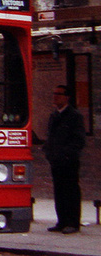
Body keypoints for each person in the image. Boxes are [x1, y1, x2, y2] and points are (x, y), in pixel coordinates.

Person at [43, 85, 85, 234]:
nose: (55, 97)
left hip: (69, 161)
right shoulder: (54, 115)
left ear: (67, 97)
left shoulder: (74, 116)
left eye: (59, 94)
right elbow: (50, 137)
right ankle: (62, 221)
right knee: (59, 191)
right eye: (54, 94)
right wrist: (48, 152)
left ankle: (73, 222)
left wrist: (67, 154)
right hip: (56, 161)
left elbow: (79, 140)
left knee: (71, 190)